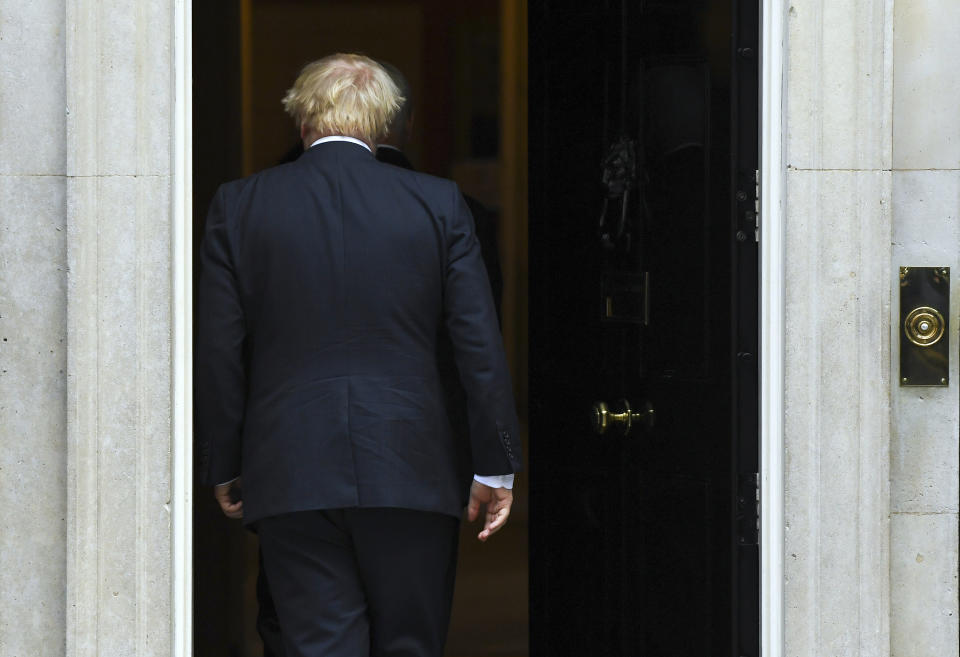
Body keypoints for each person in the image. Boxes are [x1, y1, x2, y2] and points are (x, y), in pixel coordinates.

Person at [195, 53, 522, 657]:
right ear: (383, 125)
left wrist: (226, 459)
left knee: (318, 645)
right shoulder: (441, 203)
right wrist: (493, 463)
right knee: (408, 644)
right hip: (414, 466)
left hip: (291, 467)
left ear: (302, 121)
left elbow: (219, 349)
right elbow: (478, 344)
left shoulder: (239, 205)